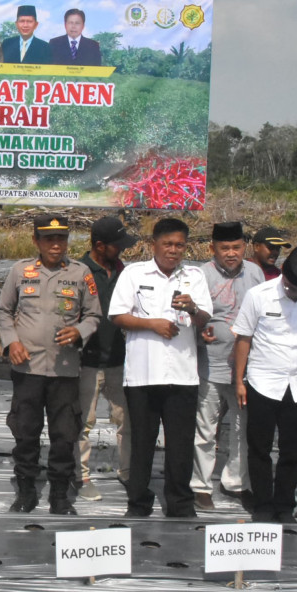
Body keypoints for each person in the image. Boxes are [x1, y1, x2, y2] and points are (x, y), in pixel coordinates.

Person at [0, 214, 101, 515]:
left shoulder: (81, 274)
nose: (56, 245)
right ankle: (26, 491)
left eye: (61, 239)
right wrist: (11, 342)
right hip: (26, 367)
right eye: (48, 239)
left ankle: (59, 494)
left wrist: (80, 332)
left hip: (64, 368)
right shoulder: (20, 271)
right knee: (26, 432)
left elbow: (94, 315)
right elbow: (4, 311)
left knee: (64, 433)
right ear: (36, 242)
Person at [109, 218, 212, 518]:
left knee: (180, 444)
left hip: (182, 375)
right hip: (143, 374)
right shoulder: (133, 273)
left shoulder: (194, 276)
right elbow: (117, 315)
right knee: (142, 442)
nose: (174, 250)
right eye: (168, 244)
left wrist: (192, 308)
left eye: (180, 245)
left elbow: (205, 317)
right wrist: (151, 324)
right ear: (153, 244)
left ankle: (179, 503)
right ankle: (138, 502)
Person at [233, 246, 297, 524]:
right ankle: (263, 505)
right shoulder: (259, 295)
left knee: (293, 451)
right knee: (260, 448)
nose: (294, 294)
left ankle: (284, 505)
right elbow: (243, 339)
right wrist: (239, 381)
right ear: (283, 276)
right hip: (262, 382)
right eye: (290, 288)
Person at [191, 222, 264, 511]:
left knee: (241, 427)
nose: (231, 254)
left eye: (236, 247)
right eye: (224, 248)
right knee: (206, 428)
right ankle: (201, 485)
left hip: (245, 370)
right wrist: (200, 332)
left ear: (244, 247)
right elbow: (189, 315)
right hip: (209, 363)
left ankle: (235, 482)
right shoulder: (200, 275)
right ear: (213, 249)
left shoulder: (255, 273)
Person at [76, 216, 138, 501]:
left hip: (118, 359)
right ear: (99, 245)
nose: (121, 251)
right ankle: (81, 476)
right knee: (84, 422)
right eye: (117, 246)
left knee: (125, 419)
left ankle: (128, 472)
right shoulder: (79, 271)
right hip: (86, 360)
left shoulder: (123, 271)